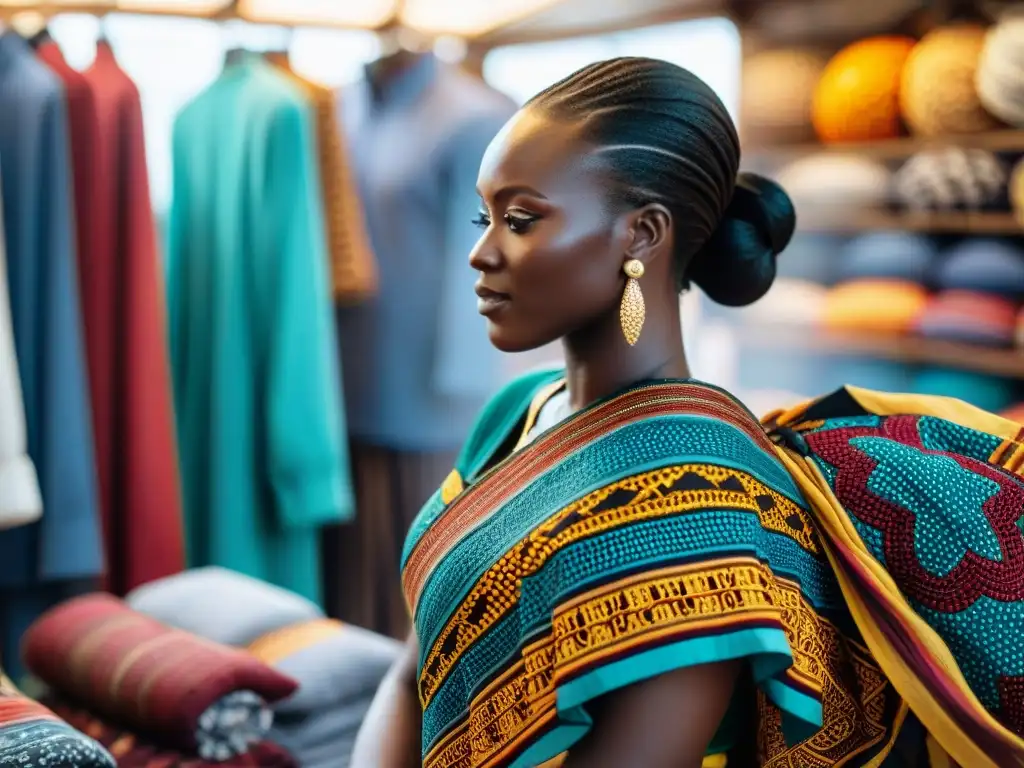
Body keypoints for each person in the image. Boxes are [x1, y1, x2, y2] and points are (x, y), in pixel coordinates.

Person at [352, 57, 1024, 768]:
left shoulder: (699, 509)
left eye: (519, 220)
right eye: (483, 217)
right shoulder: (517, 411)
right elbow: (410, 673)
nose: (480, 253)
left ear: (642, 234)